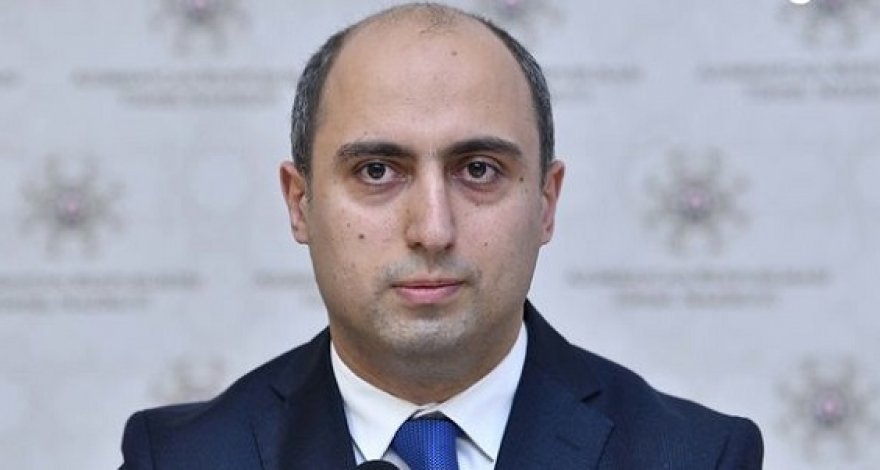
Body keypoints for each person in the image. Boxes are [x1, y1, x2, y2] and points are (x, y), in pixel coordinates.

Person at [119, 3, 763, 469]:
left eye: (478, 170)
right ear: (300, 203)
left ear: (546, 202)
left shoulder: (696, 457)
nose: (432, 229)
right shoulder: (181, 458)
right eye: (377, 171)